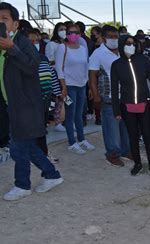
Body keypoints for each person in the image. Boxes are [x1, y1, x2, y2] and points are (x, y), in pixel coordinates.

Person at [0, 2, 63, 201]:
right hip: (13, 106)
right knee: (26, 146)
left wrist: (12, 49)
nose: (0, 22)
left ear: (15, 24)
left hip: (27, 106)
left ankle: (22, 184)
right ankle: (51, 174)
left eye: (5, 19)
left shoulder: (21, 43)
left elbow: (33, 67)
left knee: (18, 147)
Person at [111, 35, 150, 177]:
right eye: (128, 43)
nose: (131, 46)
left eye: (133, 43)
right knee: (133, 136)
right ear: (122, 45)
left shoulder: (142, 60)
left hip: (143, 103)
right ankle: (138, 163)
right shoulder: (116, 65)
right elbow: (114, 89)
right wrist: (116, 110)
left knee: (147, 135)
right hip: (127, 106)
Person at [89, 25, 130, 167]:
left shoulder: (123, 52)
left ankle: (126, 150)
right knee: (111, 127)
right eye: (110, 37)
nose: (114, 39)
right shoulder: (97, 54)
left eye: (116, 36)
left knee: (126, 125)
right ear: (104, 37)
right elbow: (92, 76)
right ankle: (112, 153)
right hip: (108, 96)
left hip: (125, 95)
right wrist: (96, 96)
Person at [55, 23, 95, 154]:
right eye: (71, 32)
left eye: (77, 32)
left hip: (82, 85)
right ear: (67, 34)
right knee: (70, 113)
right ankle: (72, 142)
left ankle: (82, 139)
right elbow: (59, 68)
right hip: (69, 86)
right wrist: (63, 87)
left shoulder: (83, 48)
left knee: (79, 113)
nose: (74, 35)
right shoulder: (62, 48)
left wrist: (89, 85)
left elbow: (86, 67)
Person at [27, 29, 62, 164]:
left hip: (45, 100)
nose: (34, 43)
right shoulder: (20, 60)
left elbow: (52, 76)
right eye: (31, 41)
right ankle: (34, 154)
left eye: (36, 41)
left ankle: (44, 153)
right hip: (29, 102)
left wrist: (58, 92)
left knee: (42, 128)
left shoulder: (43, 58)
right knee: (32, 130)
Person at [46, 22, 67, 132]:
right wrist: (60, 61)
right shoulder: (51, 44)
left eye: (65, 29)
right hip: (56, 74)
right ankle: (56, 121)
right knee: (57, 98)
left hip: (67, 74)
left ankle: (67, 120)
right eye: (61, 29)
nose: (64, 31)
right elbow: (48, 60)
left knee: (68, 98)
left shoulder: (68, 44)